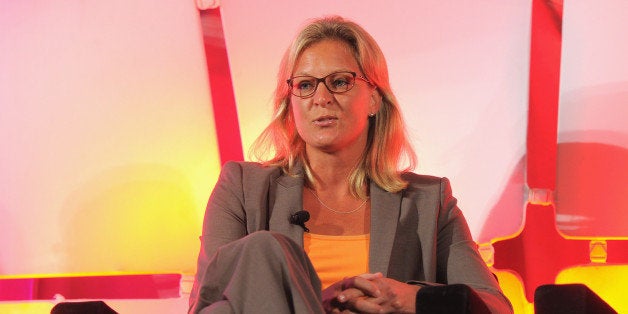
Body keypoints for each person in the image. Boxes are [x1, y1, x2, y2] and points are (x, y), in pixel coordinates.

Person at [189, 15, 513, 314]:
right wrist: (316, 303)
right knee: (261, 251)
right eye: (305, 85)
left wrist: (407, 297)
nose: (321, 98)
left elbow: (493, 306)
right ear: (290, 103)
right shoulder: (242, 188)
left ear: (374, 98)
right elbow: (208, 303)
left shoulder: (430, 200)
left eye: (340, 82)